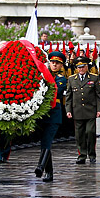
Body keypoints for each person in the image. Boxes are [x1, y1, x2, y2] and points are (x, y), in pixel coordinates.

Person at [35, 51, 68, 182]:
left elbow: (55, 91)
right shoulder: (41, 76)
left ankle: (41, 167)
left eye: (57, 63)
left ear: (61, 66)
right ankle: (49, 172)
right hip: (42, 114)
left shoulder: (61, 79)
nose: (54, 65)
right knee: (44, 142)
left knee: (47, 141)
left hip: (54, 114)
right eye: (53, 62)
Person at [65, 56, 100, 164]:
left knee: (90, 132)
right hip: (77, 111)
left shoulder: (94, 78)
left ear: (87, 67)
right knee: (79, 134)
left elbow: (99, 95)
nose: (81, 69)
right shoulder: (72, 79)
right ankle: (82, 155)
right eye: (79, 67)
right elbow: (69, 96)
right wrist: (68, 110)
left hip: (90, 110)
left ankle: (91, 154)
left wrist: (99, 109)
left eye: (83, 67)